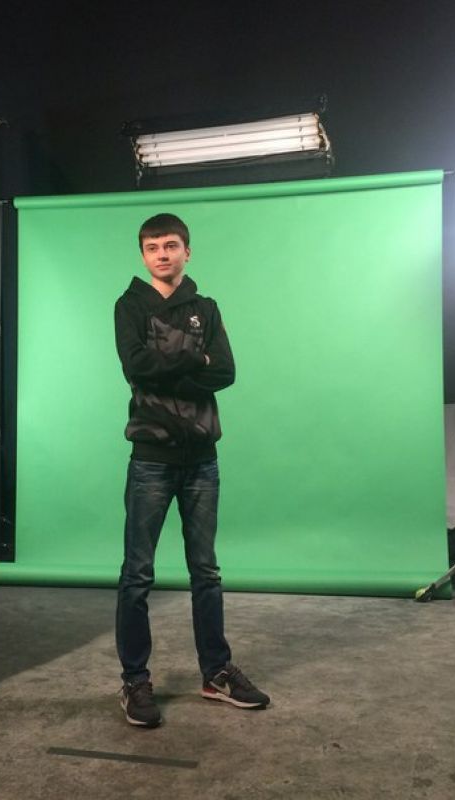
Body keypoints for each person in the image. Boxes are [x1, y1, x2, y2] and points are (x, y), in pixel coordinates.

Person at [114, 212, 269, 728]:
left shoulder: (207, 307)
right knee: (137, 575)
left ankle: (216, 673)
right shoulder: (129, 305)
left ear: (187, 251)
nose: (162, 254)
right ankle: (135, 681)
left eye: (171, 245)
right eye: (153, 247)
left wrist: (174, 363)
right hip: (151, 460)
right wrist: (194, 360)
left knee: (206, 572)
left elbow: (225, 371)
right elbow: (136, 367)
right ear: (143, 255)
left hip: (202, 459)